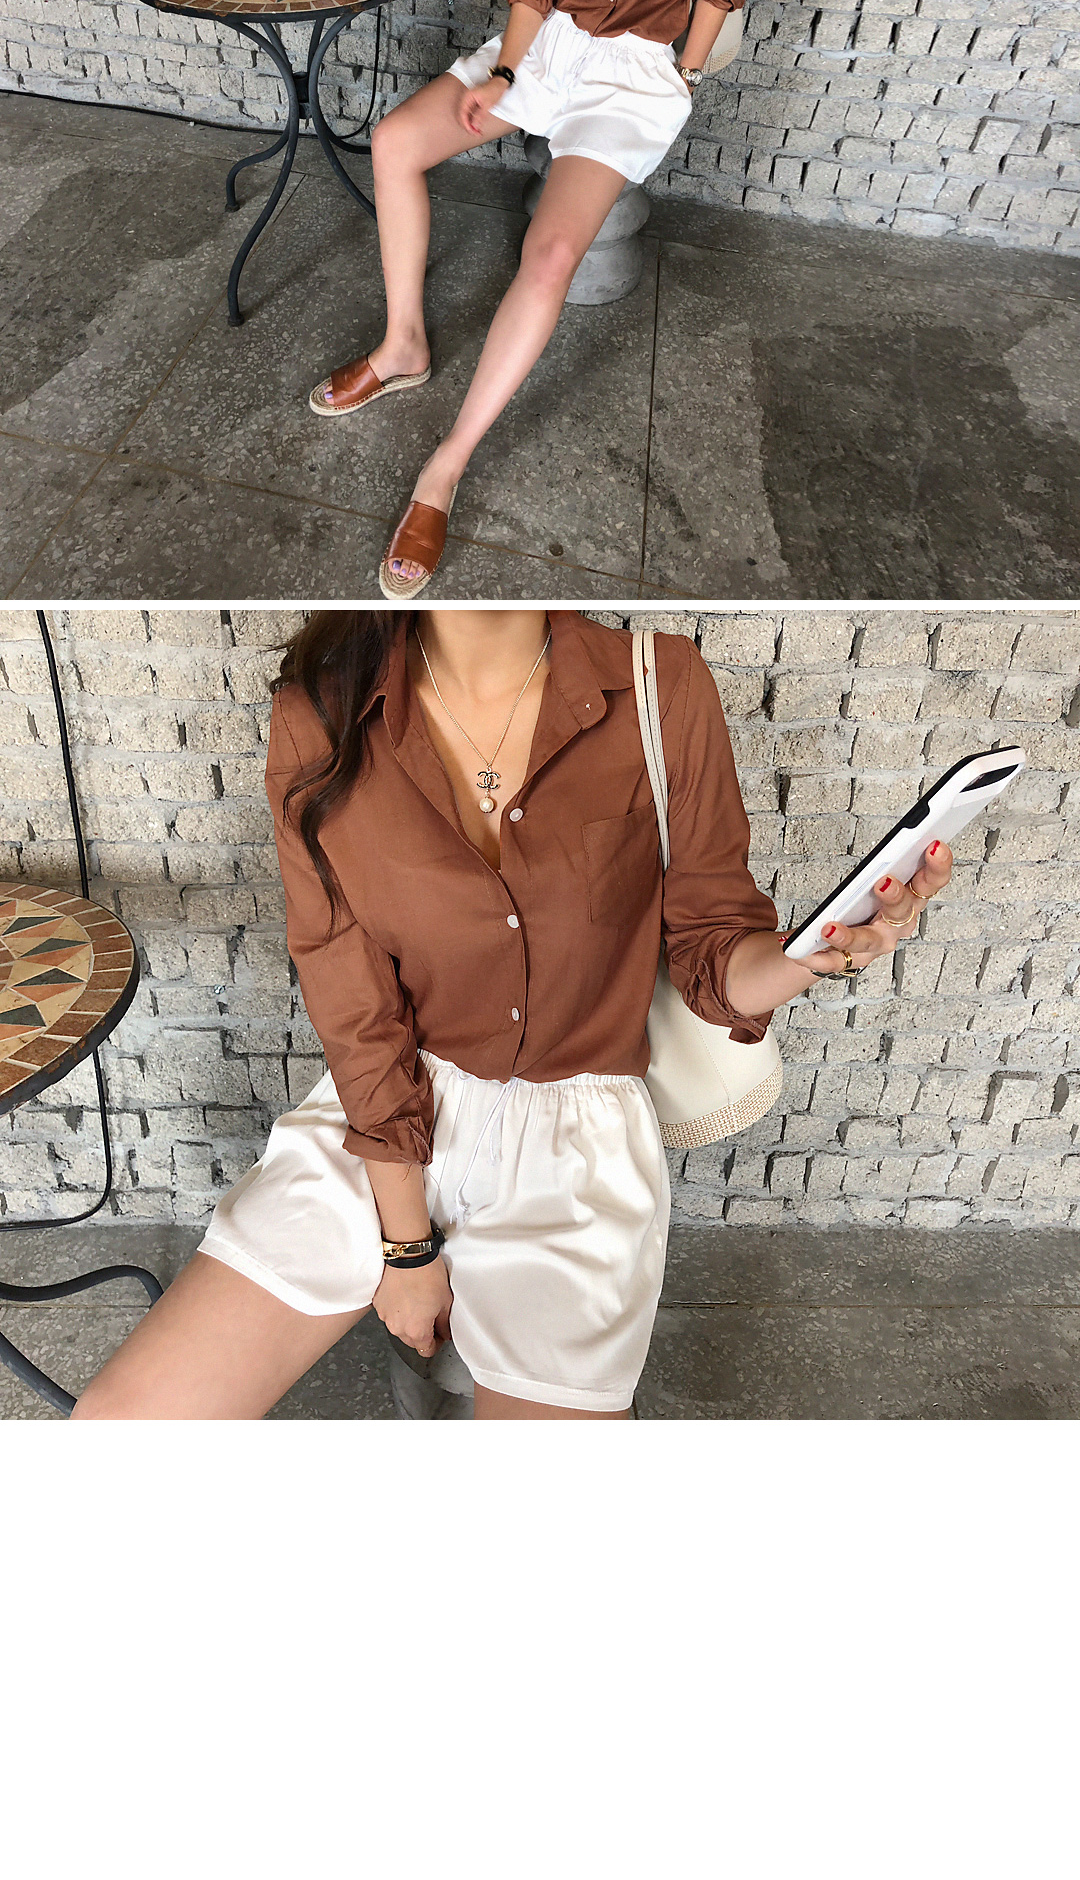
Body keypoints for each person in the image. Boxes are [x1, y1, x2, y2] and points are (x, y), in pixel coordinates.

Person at [70, 608, 952, 1428]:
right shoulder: (321, 714)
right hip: (384, 1116)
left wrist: (813, 954)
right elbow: (352, 1001)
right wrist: (406, 1250)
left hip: (579, 1154)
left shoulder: (659, 686)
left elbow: (715, 949)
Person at [308, 0, 750, 587]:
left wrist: (683, 75)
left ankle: (445, 466)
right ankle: (404, 344)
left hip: (634, 76)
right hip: (548, 48)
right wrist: (506, 74)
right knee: (396, 141)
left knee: (549, 257)